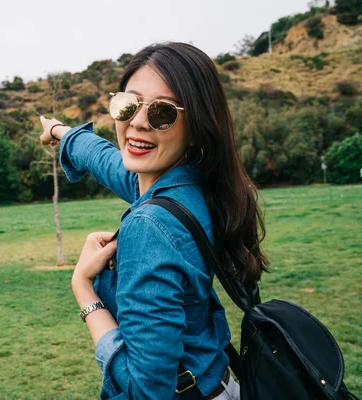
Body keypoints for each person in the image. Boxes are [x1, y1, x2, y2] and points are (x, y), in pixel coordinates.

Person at [38, 42, 269, 400]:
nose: (138, 122)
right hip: (221, 384)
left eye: (163, 112)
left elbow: (146, 391)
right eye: (128, 105)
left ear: (196, 126)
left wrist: (83, 285)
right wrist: (60, 132)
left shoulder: (150, 226)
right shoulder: (193, 187)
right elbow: (104, 159)